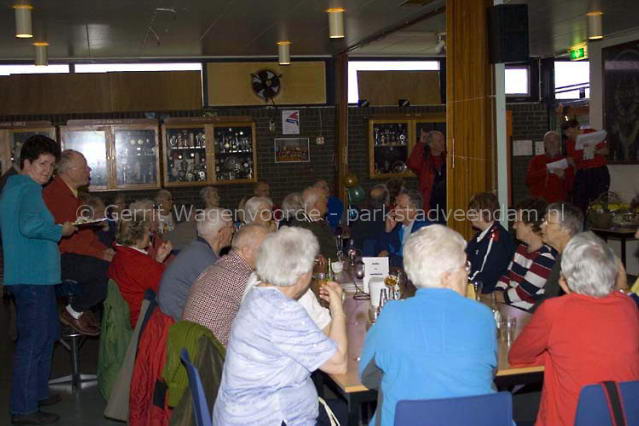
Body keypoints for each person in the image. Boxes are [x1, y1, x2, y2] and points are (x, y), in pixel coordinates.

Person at [361, 225, 497, 426]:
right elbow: (488, 371)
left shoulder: (392, 314)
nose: (467, 274)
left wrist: (408, 379)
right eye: (465, 266)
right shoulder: (482, 315)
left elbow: (367, 375)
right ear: (446, 276)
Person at [213, 227, 347, 425]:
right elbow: (338, 364)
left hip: (246, 410)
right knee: (357, 414)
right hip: (267, 417)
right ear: (302, 274)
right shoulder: (282, 311)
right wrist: (337, 308)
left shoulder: (258, 292)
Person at [509, 232, 639, 426]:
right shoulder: (628, 306)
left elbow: (518, 356)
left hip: (569, 420)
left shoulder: (554, 310)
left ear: (565, 280)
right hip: (623, 417)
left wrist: (552, 355)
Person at [0, 135, 76, 425]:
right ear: (26, 163)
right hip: (32, 277)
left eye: (51, 165)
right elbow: (30, 226)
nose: (47, 170)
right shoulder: (27, 187)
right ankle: (23, 409)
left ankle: (37, 393)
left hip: (32, 276)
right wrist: (60, 231)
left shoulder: (16, 187)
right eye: (42, 164)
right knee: (33, 342)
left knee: (44, 337)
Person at [43, 150, 112, 336]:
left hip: (72, 254)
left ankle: (80, 310)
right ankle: (73, 311)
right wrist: (101, 254)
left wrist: (105, 250)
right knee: (107, 270)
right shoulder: (57, 196)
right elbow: (67, 243)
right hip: (59, 259)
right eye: (84, 167)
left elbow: (85, 235)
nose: (89, 170)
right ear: (69, 171)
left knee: (115, 263)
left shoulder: (71, 195)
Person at [182, 224, 271, 345]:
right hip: (212, 352)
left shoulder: (220, 264)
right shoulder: (242, 278)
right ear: (246, 251)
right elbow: (267, 318)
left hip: (188, 346)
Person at [158, 208, 235, 321]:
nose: (233, 231)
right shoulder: (204, 258)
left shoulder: (197, 249)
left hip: (171, 316)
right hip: (177, 322)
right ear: (221, 233)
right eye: (231, 226)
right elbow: (228, 298)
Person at [108, 211, 173, 327]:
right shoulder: (139, 263)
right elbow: (166, 288)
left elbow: (146, 278)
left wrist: (158, 260)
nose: (150, 236)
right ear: (138, 238)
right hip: (141, 318)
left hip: (126, 314)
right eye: (148, 233)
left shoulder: (120, 256)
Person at [495, 198, 557, 311]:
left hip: (527, 312)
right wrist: (498, 290)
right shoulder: (522, 248)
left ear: (531, 226)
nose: (514, 226)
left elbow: (523, 292)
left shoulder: (545, 257)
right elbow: (507, 274)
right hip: (509, 306)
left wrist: (499, 297)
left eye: (518, 222)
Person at [466, 192, 516, 293]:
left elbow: (484, 273)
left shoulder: (496, 238)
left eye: (474, 211)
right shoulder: (480, 236)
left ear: (487, 212)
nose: (470, 215)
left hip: (486, 293)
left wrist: (461, 283)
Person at [563, 120, 610, 213]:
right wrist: (570, 161)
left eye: (571, 132)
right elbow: (575, 163)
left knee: (598, 202)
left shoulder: (590, 133)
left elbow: (606, 151)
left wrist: (595, 152)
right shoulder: (569, 143)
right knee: (579, 202)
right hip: (582, 173)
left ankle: (598, 220)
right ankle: (580, 220)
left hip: (597, 171)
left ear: (577, 128)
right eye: (567, 133)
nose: (569, 135)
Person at [379, 190, 432, 267]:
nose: (396, 209)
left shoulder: (424, 229)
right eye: (396, 205)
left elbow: (414, 262)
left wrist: (390, 258)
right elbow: (381, 252)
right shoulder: (399, 227)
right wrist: (388, 231)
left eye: (401, 207)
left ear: (414, 210)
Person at [407, 129, 446, 221]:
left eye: (443, 140)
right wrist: (421, 143)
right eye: (439, 141)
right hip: (430, 207)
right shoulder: (425, 161)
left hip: (447, 205)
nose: (443, 143)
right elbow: (412, 164)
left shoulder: (448, 158)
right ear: (431, 144)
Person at [526, 130, 575, 203]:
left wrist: (563, 176)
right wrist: (546, 171)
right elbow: (528, 181)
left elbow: (572, 187)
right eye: (548, 141)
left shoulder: (566, 161)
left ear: (559, 143)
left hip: (559, 202)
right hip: (539, 202)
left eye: (555, 140)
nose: (552, 143)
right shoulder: (536, 160)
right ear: (545, 144)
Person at [290, 186, 338, 259]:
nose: (327, 201)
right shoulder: (301, 225)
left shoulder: (321, 221)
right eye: (324, 199)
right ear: (316, 204)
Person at [350, 184, 389, 256]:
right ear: (386, 200)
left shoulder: (363, 217)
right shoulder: (392, 217)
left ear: (370, 200)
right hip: (384, 258)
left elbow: (353, 242)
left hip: (362, 257)